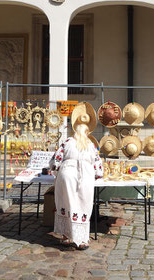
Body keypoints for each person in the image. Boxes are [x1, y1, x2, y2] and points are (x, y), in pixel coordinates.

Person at [49, 102, 103, 250]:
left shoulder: (67, 142)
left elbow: (55, 161)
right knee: (83, 206)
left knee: (67, 203)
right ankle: (83, 240)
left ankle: (66, 237)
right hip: (85, 177)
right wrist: (96, 176)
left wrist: (54, 170)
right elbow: (98, 168)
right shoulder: (91, 146)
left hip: (67, 175)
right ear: (87, 133)